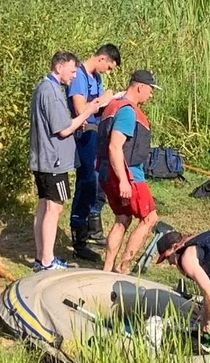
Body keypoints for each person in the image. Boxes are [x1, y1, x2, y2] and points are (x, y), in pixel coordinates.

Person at [30, 51, 105, 272]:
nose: (74, 76)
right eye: (72, 71)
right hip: (54, 161)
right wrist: (89, 111)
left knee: (44, 207)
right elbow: (63, 130)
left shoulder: (45, 87)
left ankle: (40, 258)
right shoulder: (51, 92)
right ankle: (46, 260)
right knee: (54, 209)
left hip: (44, 158)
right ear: (59, 67)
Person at [96, 69, 160, 274]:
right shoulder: (127, 111)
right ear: (140, 86)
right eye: (150, 89)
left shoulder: (113, 106)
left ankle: (107, 269)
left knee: (122, 218)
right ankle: (123, 267)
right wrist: (124, 181)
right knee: (150, 219)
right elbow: (115, 146)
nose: (151, 94)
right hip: (128, 175)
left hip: (106, 172)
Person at [67, 44, 122, 262]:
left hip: (94, 134)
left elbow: (97, 106)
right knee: (87, 182)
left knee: (98, 182)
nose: (107, 72)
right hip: (83, 134)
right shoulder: (79, 76)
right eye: (108, 67)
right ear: (101, 58)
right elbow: (81, 110)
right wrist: (102, 100)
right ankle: (78, 238)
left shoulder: (95, 78)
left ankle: (91, 228)